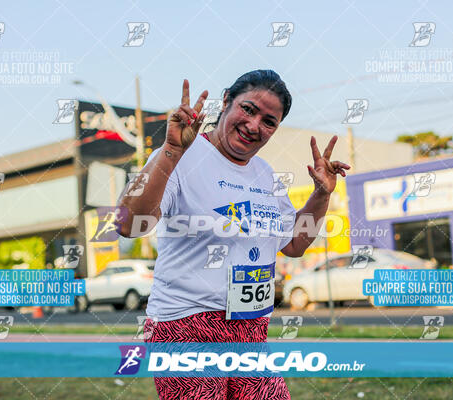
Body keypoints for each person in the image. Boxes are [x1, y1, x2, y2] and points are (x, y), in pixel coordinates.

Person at [116, 70, 350, 400]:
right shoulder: (183, 154)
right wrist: (170, 150)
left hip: (250, 328)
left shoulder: (265, 174)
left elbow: (294, 244)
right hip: (186, 325)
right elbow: (130, 224)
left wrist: (322, 195)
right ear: (226, 101)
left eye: (269, 122)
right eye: (249, 109)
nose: (255, 126)